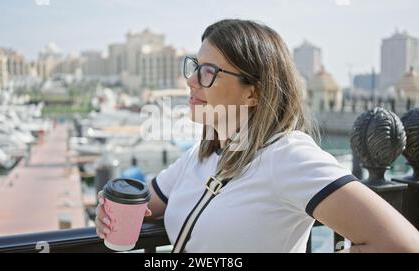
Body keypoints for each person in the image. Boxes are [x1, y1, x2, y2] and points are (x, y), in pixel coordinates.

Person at [96, 19, 419, 252]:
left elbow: (401, 244)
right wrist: (108, 213)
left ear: (253, 93)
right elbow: (144, 205)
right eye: (195, 66)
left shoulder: (287, 157)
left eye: (209, 71)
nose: (192, 80)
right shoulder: (202, 155)